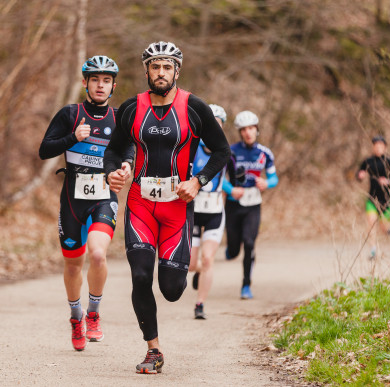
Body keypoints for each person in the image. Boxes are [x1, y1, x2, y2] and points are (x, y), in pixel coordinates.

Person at [103, 41, 230, 374]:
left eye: (167, 67)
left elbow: (221, 151)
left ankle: (179, 276)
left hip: (177, 207)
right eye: (155, 67)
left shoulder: (194, 107)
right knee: (141, 275)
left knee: (172, 290)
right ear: (146, 70)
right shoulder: (131, 108)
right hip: (140, 205)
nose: (161, 73)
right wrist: (113, 172)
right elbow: (114, 151)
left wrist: (198, 181)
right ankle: (153, 349)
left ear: (177, 71)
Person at [39, 55, 133, 351]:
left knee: (98, 255)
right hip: (72, 200)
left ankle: (93, 313)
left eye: (106, 81)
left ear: (113, 85)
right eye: (95, 80)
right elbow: (44, 150)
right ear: (85, 83)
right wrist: (71, 137)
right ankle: (76, 316)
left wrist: (128, 164)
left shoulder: (119, 118)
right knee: (72, 265)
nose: (101, 85)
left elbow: (129, 146)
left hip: (104, 196)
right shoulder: (70, 114)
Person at [223, 110, 278, 300]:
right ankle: (230, 250)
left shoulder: (264, 153)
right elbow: (220, 179)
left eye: (251, 128)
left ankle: (246, 285)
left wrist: (266, 183)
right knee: (234, 249)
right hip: (233, 204)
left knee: (249, 243)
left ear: (257, 130)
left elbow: (273, 177)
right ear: (240, 132)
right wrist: (230, 190)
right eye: (244, 129)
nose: (248, 132)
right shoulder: (230, 152)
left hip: (253, 204)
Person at [189, 104, 228, 320]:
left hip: (214, 211)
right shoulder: (193, 150)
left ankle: (200, 304)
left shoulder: (225, 152)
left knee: (208, 259)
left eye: (218, 124)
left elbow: (233, 179)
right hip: (194, 211)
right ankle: (197, 272)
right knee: (192, 264)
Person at [356, 135, 390, 259]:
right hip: (372, 198)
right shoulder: (368, 161)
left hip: (386, 199)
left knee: (384, 227)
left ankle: (389, 229)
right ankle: (373, 250)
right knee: (371, 222)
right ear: (373, 147)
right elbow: (359, 174)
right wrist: (360, 175)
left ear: (385, 147)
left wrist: (389, 181)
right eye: (376, 146)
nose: (378, 148)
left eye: (381, 146)